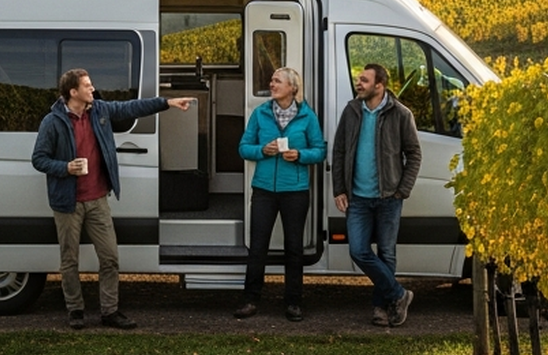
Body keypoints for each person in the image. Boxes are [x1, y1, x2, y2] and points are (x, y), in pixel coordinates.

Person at [32, 68, 195, 330]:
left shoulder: (100, 111)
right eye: (87, 85)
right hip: (67, 203)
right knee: (69, 260)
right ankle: (75, 310)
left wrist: (167, 103)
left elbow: (132, 107)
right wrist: (66, 168)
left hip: (98, 199)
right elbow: (38, 159)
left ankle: (110, 311)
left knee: (110, 257)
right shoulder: (52, 122)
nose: (92, 89)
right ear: (73, 92)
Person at [330, 62, 422, 326]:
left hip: (388, 198)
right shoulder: (351, 111)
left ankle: (381, 308)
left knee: (386, 253)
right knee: (358, 250)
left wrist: (402, 190)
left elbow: (414, 154)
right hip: (358, 198)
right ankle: (399, 294)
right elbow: (339, 151)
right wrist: (339, 189)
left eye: (364, 80)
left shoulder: (401, 114)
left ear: (379, 86)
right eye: (359, 79)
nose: (358, 84)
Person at [234, 67, 327, 321]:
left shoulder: (307, 116)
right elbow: (243, 147)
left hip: (295, 191)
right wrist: (262, 150)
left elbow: (319, 150)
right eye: (272, 80)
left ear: (292, 88)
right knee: (258, 247)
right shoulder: (260, 113)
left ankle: (293, 303)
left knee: (294, 248)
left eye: (277, 81)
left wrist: (300, 155)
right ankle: (250, 300)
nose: (271, 84)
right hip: (264, 189)